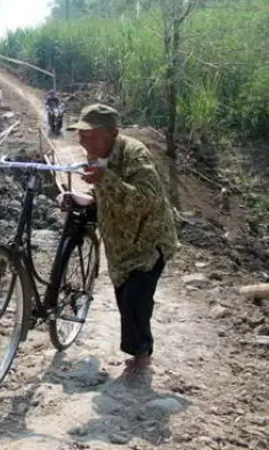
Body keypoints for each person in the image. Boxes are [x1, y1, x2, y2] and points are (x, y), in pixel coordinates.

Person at [62, 103, 179, 377]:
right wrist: (84, 199)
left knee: (135, 299)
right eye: (81, 134)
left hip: (148, 242)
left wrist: (106, 179)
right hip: (120, 247)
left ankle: (142, 355)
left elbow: (145, 198)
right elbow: (106, 196)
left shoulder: (135, 154)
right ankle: (139, 350)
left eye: (90, 135)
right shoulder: (95, 156)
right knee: (124, 297)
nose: (83, 140)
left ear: (112, 133)